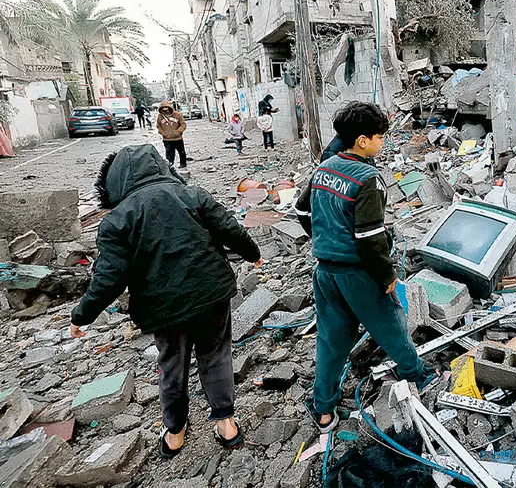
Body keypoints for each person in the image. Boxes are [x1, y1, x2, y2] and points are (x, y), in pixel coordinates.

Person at [68, 144, 262, 458]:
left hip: (162, 309)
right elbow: (230, 229)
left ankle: (175, 432)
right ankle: (227, 424)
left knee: (171, 364)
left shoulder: (117, 220)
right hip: (211, 294)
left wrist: (82, 315)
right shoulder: (193, 195)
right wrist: (253, 255)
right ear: (161, 167)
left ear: (114, 183)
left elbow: (109, 278)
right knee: (215, 355)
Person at [295, 102, 435, 432]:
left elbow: (302, 211)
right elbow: (369, 238)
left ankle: (324, 410)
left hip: (325, 271)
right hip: (359, 273)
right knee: (391, 324)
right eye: (379, 137)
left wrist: (324, 236)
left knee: (331, 340)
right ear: (362, 141)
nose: (382, 142)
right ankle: (416, 374)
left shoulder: (324, 169)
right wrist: (387, 277)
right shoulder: (368, 179)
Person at [157, 100, 187, 168]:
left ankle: (183, 164)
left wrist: (178, 132)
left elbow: (183, 124)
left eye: (166, 108)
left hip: (178, 138)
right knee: (169, 153)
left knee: (181, 152)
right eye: (163, 109)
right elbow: (158, 126)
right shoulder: (160, 116)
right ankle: (170, 165)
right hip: (167, 139)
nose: (165, 111)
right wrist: (163, 133)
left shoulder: (178, 115)